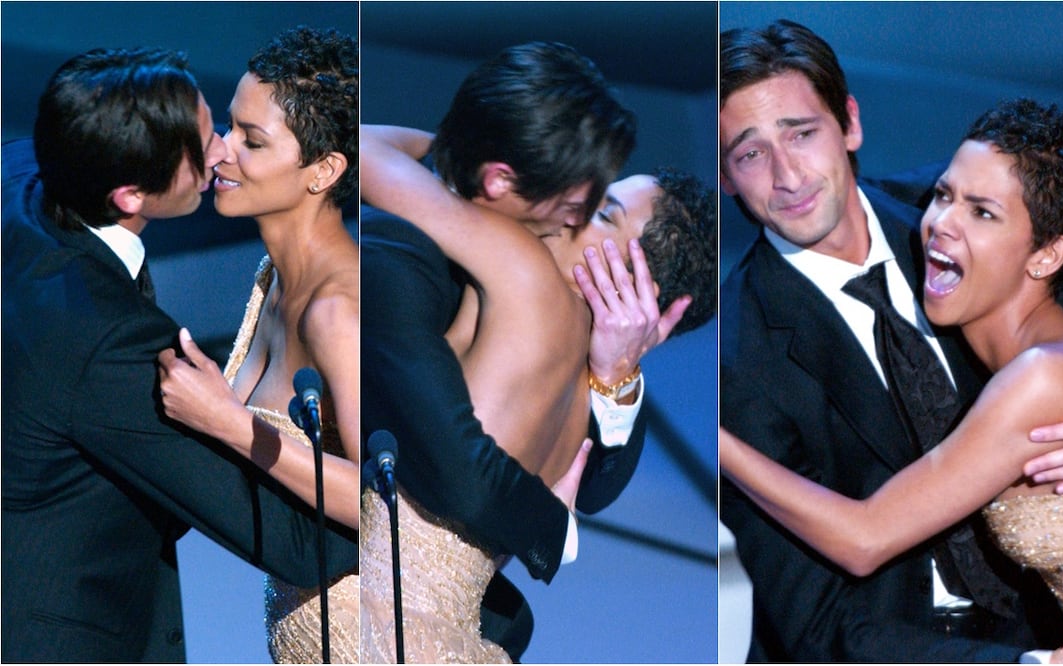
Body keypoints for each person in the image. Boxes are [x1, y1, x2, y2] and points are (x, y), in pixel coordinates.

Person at [156, 40, 676, 661]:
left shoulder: (377, 288)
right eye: (580, 202)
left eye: (596, 208)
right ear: (501, 178)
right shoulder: (380, 263)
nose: (574, 218)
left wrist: (617, 375)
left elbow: (420, 484)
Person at [719, 20, 1063, 662]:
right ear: (725, 176)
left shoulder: (969, 218)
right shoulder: (735, 361)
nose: (788, 176)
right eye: (750, 154)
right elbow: (818, 627)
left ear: (849, 124)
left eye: (802, 134)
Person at [0, 47, 358, 663]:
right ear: (131, 195)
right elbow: (302, 544)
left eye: (233, 130)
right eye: (209, 140)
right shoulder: (110, 345)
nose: (221, 152)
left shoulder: (23, 173)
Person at [355, 117, 717, 662]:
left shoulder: (519, 267)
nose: (573, 201)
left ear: (637, 288)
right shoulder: (588, 383)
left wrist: (472, 150)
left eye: (602, 212)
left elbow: (362, 147)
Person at [155, 26, 360, 663]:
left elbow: (387, 507)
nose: (220, 151)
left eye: (253, 140)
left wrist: (228, 422)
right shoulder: (271, 276)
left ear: (324, 171)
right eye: (229, 127)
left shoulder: (339, 312)